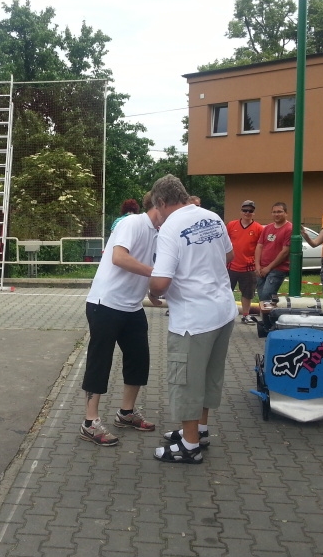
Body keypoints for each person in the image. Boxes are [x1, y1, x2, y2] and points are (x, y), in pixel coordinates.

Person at [149, 175, 236, 465]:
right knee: (209, 375)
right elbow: (229, 255)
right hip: (223, 311)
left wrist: (152, 291)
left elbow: (161, 282)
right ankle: (199, 430)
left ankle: (189, 446)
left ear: (162, 202)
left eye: (157, 208)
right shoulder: (212, 217)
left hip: (192, 319)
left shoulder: (170, 228)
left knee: (185, 380)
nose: (158, 214)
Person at [80, 192, 164, 446]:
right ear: (160, 205)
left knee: (139, 358)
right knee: (100, 361)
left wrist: (153, 291)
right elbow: (119, 257)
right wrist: (155, 273)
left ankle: (126, 413)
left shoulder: (158, 233)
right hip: (105, 303)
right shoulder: (133, 223)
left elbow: (146, 264)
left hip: (132, 306)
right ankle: (90, 422)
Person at [226, 200, 264, 324]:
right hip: (230, 266)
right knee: (225, 292)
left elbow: (261, 247)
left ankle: (245, 315)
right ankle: (224, 315)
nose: (247, 213)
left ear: (254, 213)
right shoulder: (231, 225)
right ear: (241, 211)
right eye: (245, 210)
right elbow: (224, 243)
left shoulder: (258, 228)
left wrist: (258, 265)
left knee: (247, 293)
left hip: (249, 267)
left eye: (250, 211)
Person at [254, 202, 292, 302]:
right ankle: (269, 312)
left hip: (277, 269)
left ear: (286, 213)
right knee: (262, 298)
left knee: (267, 296)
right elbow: (259, 246)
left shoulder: (289, 228)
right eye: (274, 212)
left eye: (279, 212)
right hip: (261, 268)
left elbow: (285, 252)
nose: (276, 214)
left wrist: (268, 268)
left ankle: (271, 312)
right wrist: (257, 266)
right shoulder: (267, 228)